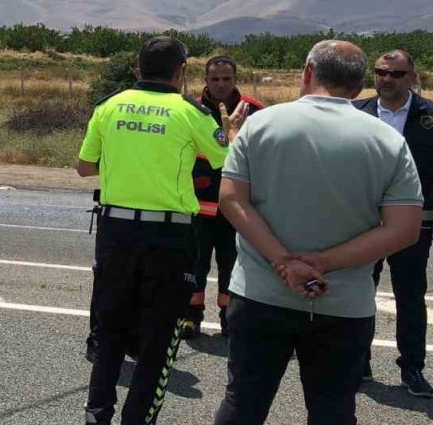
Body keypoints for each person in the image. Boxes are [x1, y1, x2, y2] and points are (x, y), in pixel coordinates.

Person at [213, 40, 424, 425]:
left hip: (261, 295)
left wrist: (284, 261)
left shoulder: (260, 124)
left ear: (307, 73)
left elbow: (231, 200)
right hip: (342, 304)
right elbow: (405, 229)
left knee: (243, 404)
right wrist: (322, 262)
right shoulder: (388, 141)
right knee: (333, 411)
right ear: (360, 86)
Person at [76, 36, 247, 425]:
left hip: (115, 232)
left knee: (110, 331)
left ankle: (96, 415)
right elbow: (226, 158)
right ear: (181, 71)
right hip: (169, 238)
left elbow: (85, 166)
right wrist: (231, 134)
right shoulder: (190, 112)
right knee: (158, 338)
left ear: (137, 68)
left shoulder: (110, 106)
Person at [353, 49, 433, 396]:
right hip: (364, 220)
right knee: (358, 292)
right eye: (380, 73)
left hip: (415, 223)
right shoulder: (357, 113)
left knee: (410, 295)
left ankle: (412, 369)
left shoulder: (429, 116)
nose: (386, 79)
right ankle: (359, 363)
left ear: (412, 78)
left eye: (395, 74)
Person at [182, 56, 264, 339]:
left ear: (235, 79)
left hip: (237, 208)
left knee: (233, 265)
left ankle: (230, 319)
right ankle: (190, 318)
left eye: (226, 79)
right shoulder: (191, 110)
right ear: (205, 79)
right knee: (195, 265)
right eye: (214, 79)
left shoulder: (253, 110)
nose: (220, 84)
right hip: (197, 205)